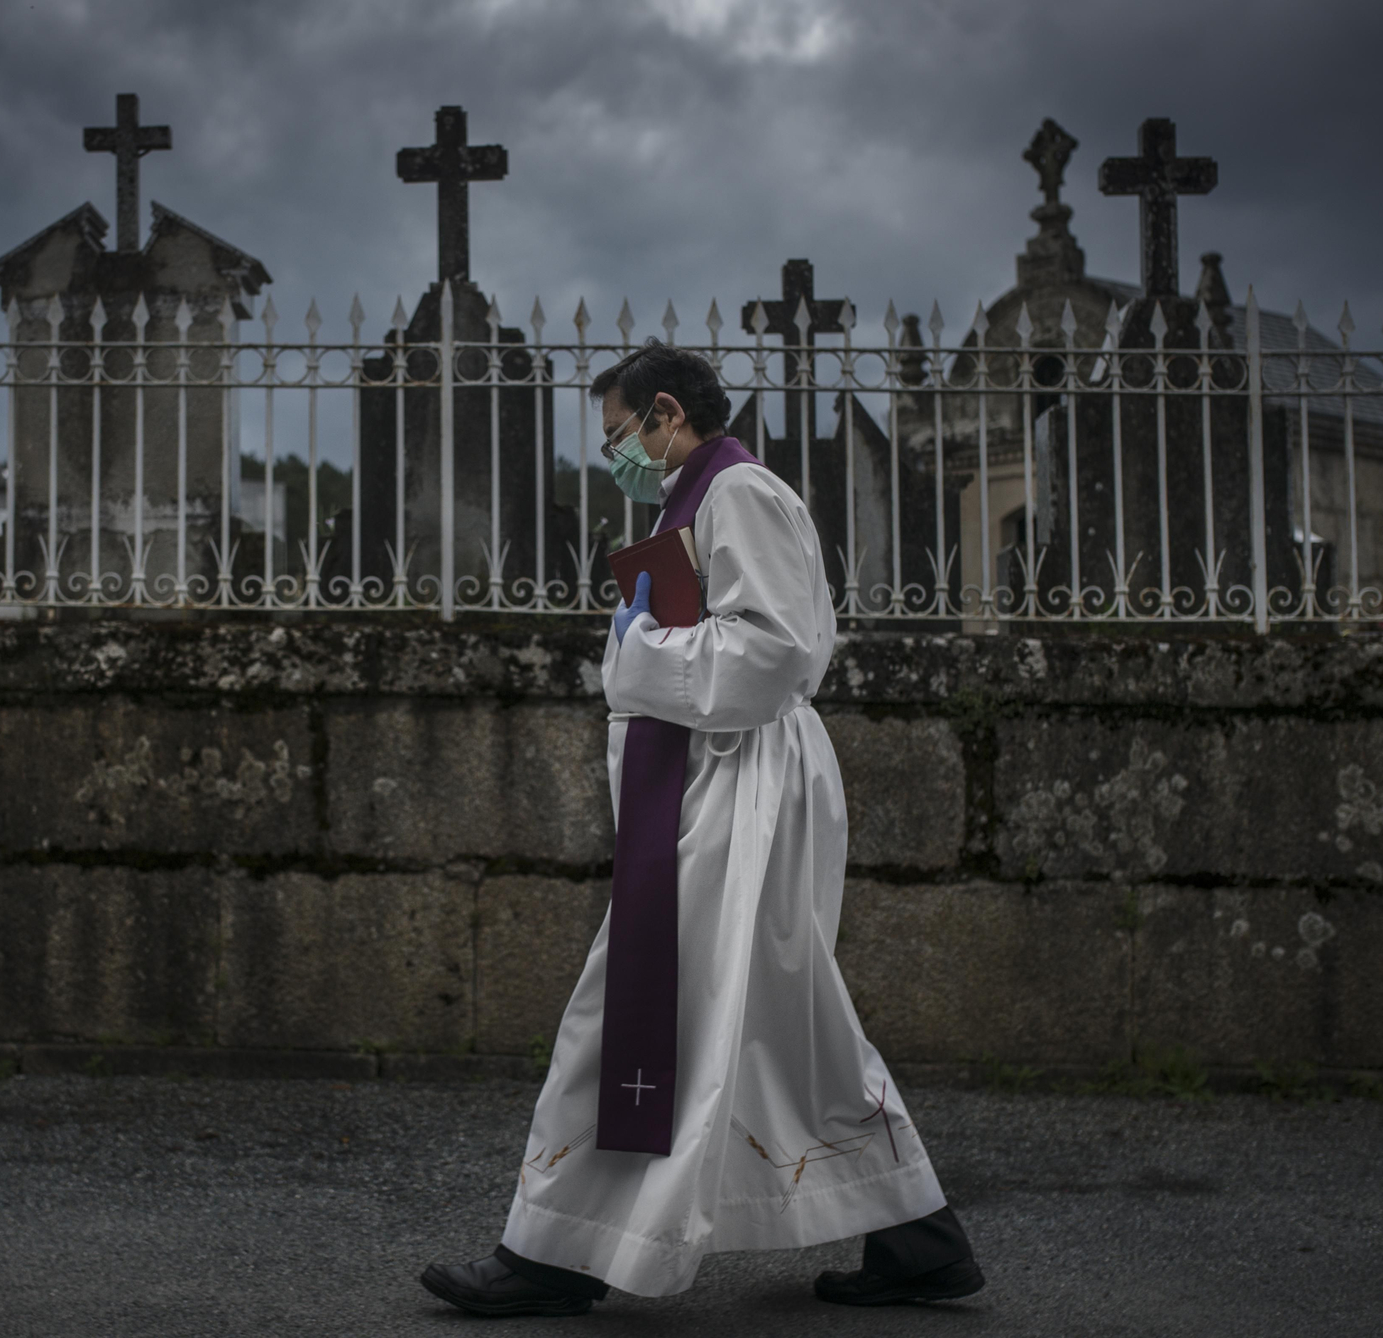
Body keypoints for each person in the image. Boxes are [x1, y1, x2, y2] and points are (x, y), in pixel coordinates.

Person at [420, 340, 983, 1317]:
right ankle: (915, 1235)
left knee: (634, 1000)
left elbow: (777, 650)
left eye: (617, 435)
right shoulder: (693, 498)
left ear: (665, 413)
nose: (614, 456)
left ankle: (552, 1257)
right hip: (716, 777)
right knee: (776, 1015)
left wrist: (638, 652)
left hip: (740, 782)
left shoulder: (739, 494)